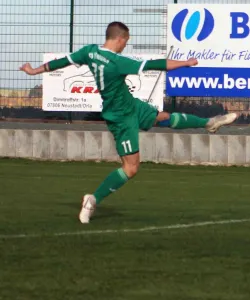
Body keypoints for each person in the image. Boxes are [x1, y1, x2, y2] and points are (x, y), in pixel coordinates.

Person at [19, 21, 238, 224]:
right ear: (120, 39)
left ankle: (208, 123)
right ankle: (92, 199)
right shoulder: (117, 61)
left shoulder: (89, 52)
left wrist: (34, 71)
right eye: (126, 41)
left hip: (131, 105)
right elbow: (155, 64)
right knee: (131, 168)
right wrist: (186, 63)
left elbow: (62, 62)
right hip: (121, 118)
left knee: (163, 117)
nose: (125, 46)